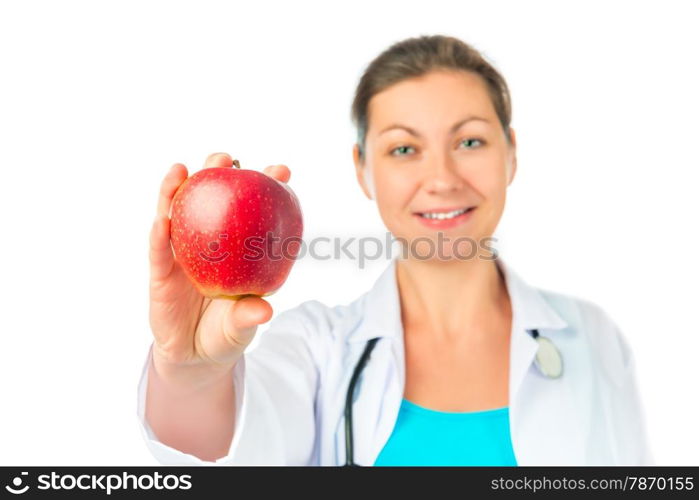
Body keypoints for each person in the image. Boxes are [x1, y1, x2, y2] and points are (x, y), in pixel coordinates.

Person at [137, 34, 654, 466]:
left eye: (470, 142)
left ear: (511, 153)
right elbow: (227, 454)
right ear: (363, 169)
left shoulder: (596, 339)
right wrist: (190, 374)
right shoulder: (317, 347)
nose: (442, 179)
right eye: (404, 149)